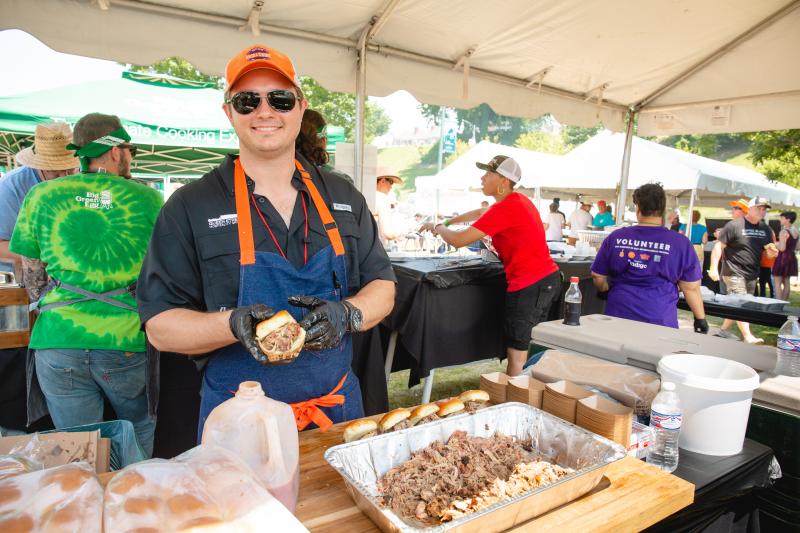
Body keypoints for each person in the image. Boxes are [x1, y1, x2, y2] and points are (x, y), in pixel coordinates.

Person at [135, 44, 396, 439]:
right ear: (229, 112)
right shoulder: (189, 205)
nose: (265, 111)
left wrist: (348, 314)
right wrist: (232, 324)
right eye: (247, 101)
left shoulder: (344, 197)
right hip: (237, 426)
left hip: (337, 416)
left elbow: (383, 286)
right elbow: (160, 326)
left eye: (280, 98)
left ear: (301, 106)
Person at [9, 113, 162, 456]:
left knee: (79, 447)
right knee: (138, 428)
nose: (131, 157)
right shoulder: (147, 199)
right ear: (113, 150)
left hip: (58, 339)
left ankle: (87, 504)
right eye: (129, 149)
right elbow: (163, 271)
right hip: (125, 340)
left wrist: (57, 303)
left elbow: (32, 275)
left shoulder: (42, 195)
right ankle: (136, 501)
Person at [420, 155, 560, 376]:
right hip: (544, 280)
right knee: (527, 347)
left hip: (530, 285)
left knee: (517, 355)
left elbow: (458, 240)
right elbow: (478, 213)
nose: (482, 177)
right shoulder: (516, 201)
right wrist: (446, 222)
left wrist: (438, 228)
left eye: (488, 173)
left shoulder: (505, 208)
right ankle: (526, 391)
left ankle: (516, 401)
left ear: (503, 181)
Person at [591, 183, 707, 331]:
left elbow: (597, 276)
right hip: (659, 318)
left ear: (638, 208)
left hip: (619, 315)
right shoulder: (680, 243)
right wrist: (700, 319)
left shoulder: (616, 237)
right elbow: (691, 288)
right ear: (663, 210)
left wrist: (604, 290)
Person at [0, 123, 79, 276]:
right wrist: (51, 258)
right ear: (39, 165)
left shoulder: (84, 179)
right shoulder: (10, 188)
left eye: (70, 170)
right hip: (24, 277)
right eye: (55, 171)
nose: (63, 177)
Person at [708, 196, 777, 344]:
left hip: (752, 273)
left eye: (764, 209)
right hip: (733, 271)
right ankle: (748, 336)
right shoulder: (734, 225)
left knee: (738, 304)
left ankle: (723, 331)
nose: (762, 211)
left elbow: (767, 250)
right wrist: (713, 268)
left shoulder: (765, 228)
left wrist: (772, 253)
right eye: (759, 208)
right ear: (750, 208)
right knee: (740, 302)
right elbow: (718, 246)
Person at [773, 211, 798, 301]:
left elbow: (782, 248)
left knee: (777, 282)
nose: (780, 220)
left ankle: (778, 305)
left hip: (782, 258)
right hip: (791, 257)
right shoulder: (795, 230)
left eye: (782, 218)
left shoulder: (783, 231)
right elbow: (798, 246)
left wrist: (775, 244)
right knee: (787, 283)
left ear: (788, 219)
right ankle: (783, 304)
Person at [374, 171, 403, 248]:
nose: (391, 186)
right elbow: (388, 233)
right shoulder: (382, 198)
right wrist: (401, 233)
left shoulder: (362, 196)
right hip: (374, 250)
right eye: (391, 182)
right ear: (382, 180)